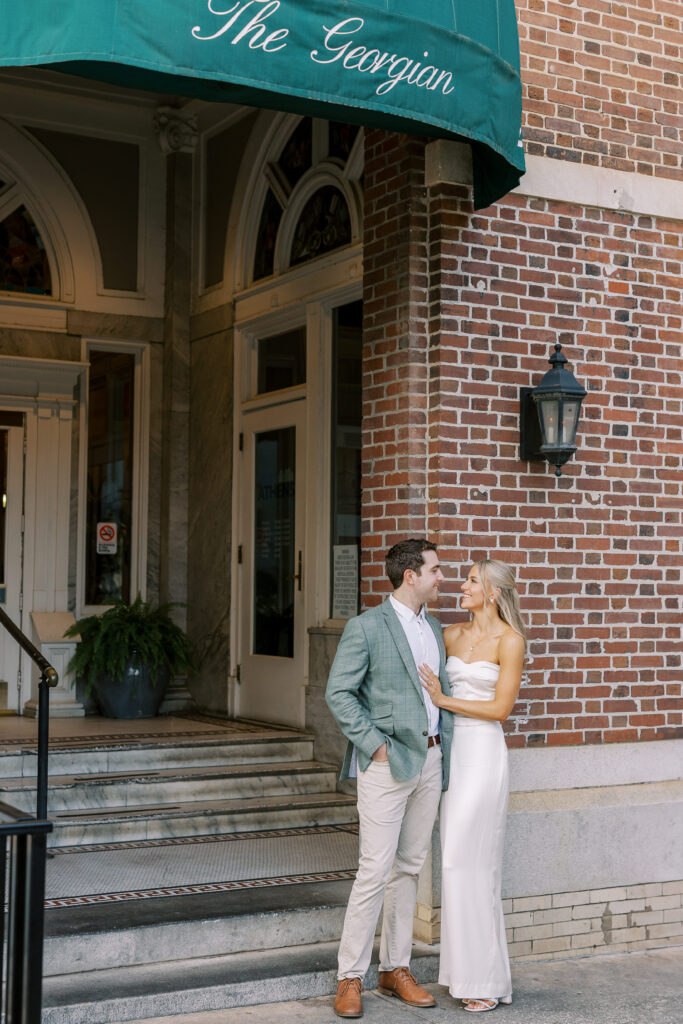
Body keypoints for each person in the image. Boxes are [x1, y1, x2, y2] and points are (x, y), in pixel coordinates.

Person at [326, 538, 454, 1019]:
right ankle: (349, 977)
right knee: (374, 870)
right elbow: (339, 694)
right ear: (410, 575)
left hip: (432, 761)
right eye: (436, 570)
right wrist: (375, 746)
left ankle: (395, 967)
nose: (443, 577)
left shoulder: (435, 629)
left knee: (409, 868)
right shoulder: (366, 626)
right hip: (385, 763)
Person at [419, 558, 526, 1013]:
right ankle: (470, 975)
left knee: (473, 863)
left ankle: (483, 978)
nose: (461, 586)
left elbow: (502, 710)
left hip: (483, 756)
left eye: (471, 581)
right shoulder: (449, 635)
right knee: (454, 863)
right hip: (450, 755)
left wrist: (445, 699)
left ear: (494, 592)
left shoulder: (511, 640)